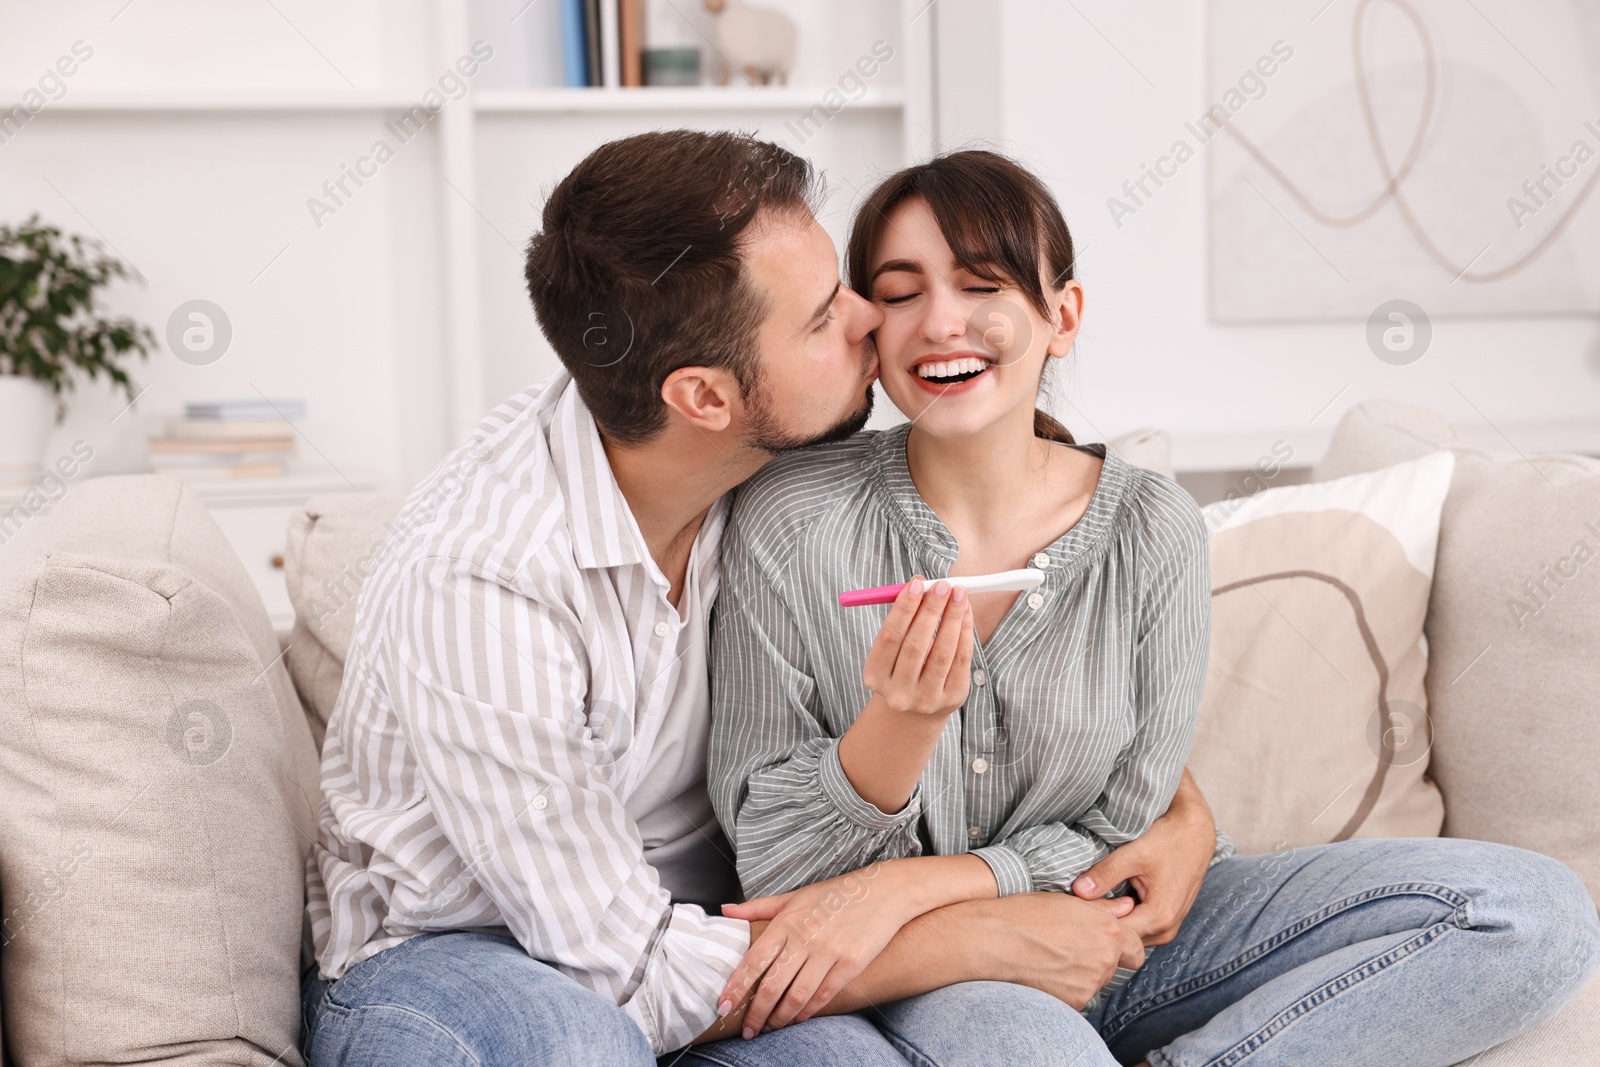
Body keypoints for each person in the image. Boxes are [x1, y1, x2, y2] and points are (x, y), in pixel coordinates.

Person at [296, 131, 1221, 1067]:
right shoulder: (483, 580)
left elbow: (1068, 693)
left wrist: (1184, 817)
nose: (876, 318)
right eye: (825, 317)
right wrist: (967, 937)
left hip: (712, 926)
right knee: (570, 1046)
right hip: (455, 954)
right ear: (704, 397)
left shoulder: (754, 463)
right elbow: (627, 975)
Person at [708, 149, 1600, 1067]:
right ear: (867, 326)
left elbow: (1129, 821)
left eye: (983, 283)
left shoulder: (1151, 528)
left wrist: (918, 884)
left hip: (1137, 930)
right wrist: (897, 728)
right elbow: (778, 865)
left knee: (1530, 911)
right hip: (942, 972)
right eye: (900, 292)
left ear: (1062, 317)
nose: (941, 322)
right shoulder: (791, 519)